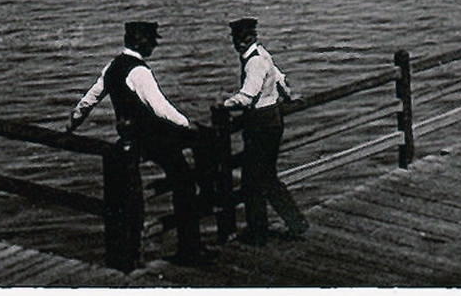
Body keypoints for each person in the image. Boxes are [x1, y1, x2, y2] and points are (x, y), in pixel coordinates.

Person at [68, 21, 214, 265]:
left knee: (165, 181)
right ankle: (191, 247)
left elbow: (90, 99)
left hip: (129, 137)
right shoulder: (139, 72)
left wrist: (73, 123)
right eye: (151, 40)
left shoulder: (112, 67)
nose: (155, 45)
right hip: (153, 137)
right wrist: (187, 124)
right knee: (186, 181)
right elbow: (161, 108)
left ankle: (143, 250)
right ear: (139, 41)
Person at [221, 18, 308, 246]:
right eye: (238, 39)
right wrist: (288, 96)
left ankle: (260, 231)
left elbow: (247, 95)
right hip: (273, 121)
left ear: (248, 38)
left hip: (260, 124)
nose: (239, 44)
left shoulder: (253, 63)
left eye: (242, 39)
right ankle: (291, 223)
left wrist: (225, 104)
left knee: (254, 179)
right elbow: (279, 78)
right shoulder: (262, 54)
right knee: (265, 177)